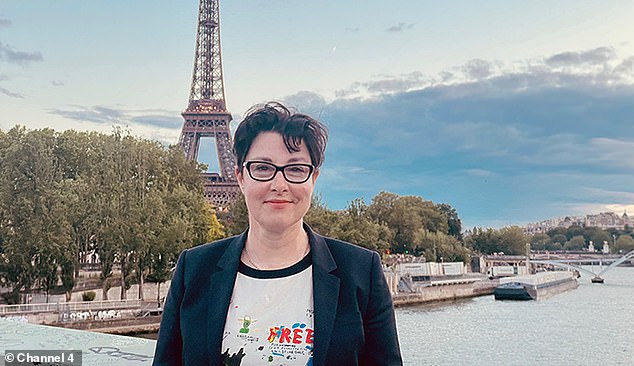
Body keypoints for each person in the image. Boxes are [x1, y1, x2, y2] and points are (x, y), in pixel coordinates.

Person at [153, 102, 402, 366]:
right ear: (240, 176)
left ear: (313, 178)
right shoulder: (193, 269)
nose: (279, 185)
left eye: (295, 169)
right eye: (263, 168)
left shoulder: (362, 271)